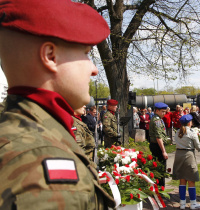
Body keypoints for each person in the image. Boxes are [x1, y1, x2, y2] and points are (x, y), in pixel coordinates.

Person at [0, 0, 115, 209]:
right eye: (86, 54)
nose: (94, 69)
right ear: (50, 56)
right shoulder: (42, 168)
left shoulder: (15, 126)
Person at [172, 114, 200, 209]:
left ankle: (182, 203)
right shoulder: (192, 132)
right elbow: (198, 147)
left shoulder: (177, 132)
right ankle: (193, 203)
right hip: (188, 155)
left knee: (182, 179)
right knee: (191, 179)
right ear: (190, 122)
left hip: (178, 155)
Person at [149, 102, 169, 187]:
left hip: (157, 145)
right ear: (157, 111)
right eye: (162, 111)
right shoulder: (157, 120)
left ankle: (159, 186)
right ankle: (160, 187)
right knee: (160, 168)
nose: (164, 113)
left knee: (159, 168)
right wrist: (163, 151)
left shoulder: (158, 119)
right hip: (157, 146)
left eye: (165, 111)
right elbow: (158, 137)